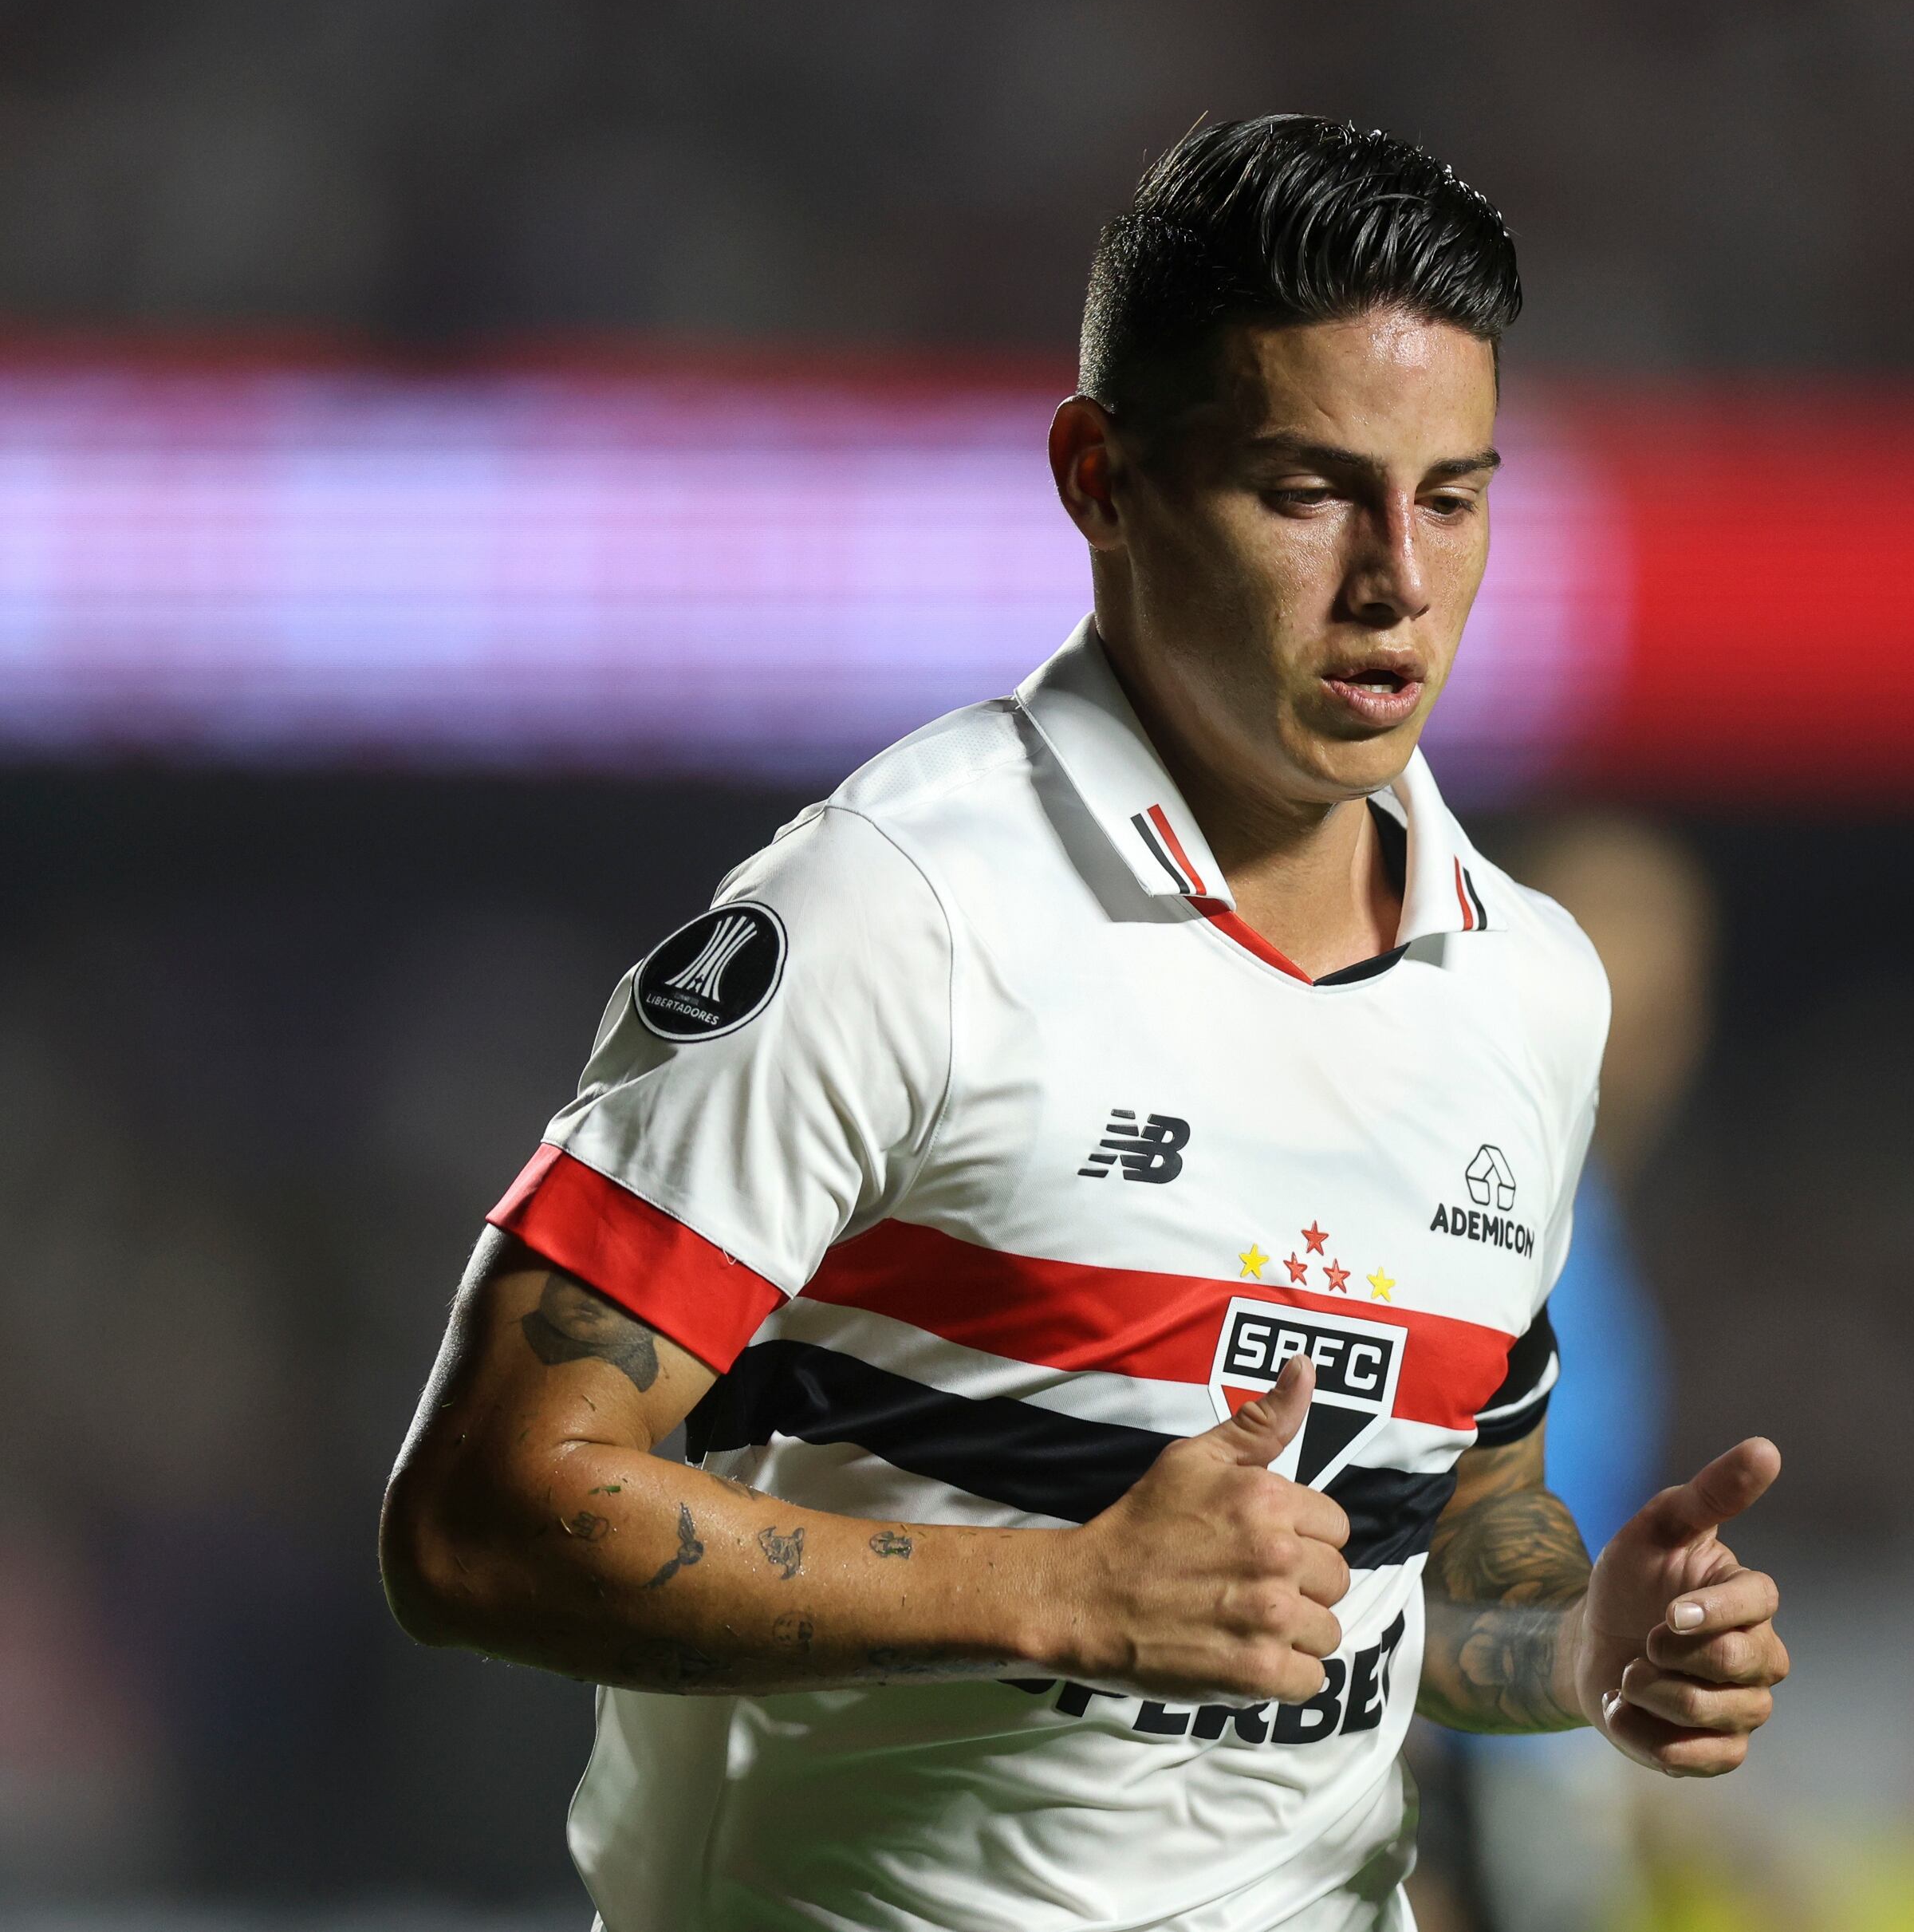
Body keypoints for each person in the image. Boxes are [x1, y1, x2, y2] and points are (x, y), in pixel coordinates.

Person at [379, 114, 1787, 1932]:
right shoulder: (896, 915)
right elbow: (477, 1514)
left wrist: (1580, 1646)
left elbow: (1437, 1553)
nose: (1395, 581)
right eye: (1307, 490)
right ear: (1098, 475)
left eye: (1450, 495)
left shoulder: (1529, 990)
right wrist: (1055, 1590)